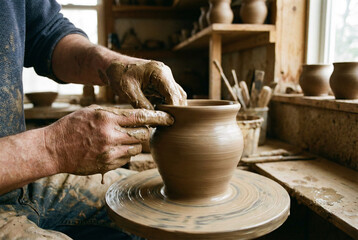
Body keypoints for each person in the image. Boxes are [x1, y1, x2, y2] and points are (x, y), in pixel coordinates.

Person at [0, 1, 186, 239]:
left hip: (22, 181)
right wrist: (52, 148)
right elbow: (50, 149)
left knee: (162, 204)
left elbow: (48, 34)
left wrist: (115, 65)